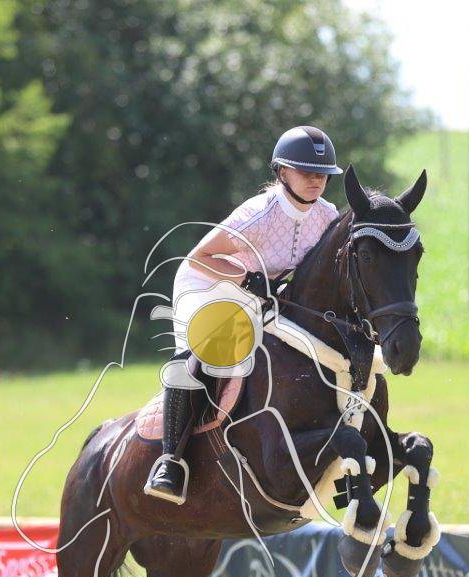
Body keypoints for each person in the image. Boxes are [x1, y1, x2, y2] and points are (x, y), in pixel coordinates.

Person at [143, 125, 343, 505]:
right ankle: (170, 462)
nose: (316, 180)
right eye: (306, 171)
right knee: (197, 354)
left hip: (265, 293)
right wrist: (247, 278)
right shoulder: (259, 213)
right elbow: (200, 257)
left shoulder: (327, 215)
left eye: (322, 174)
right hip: (210, 283)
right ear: (282, 172)